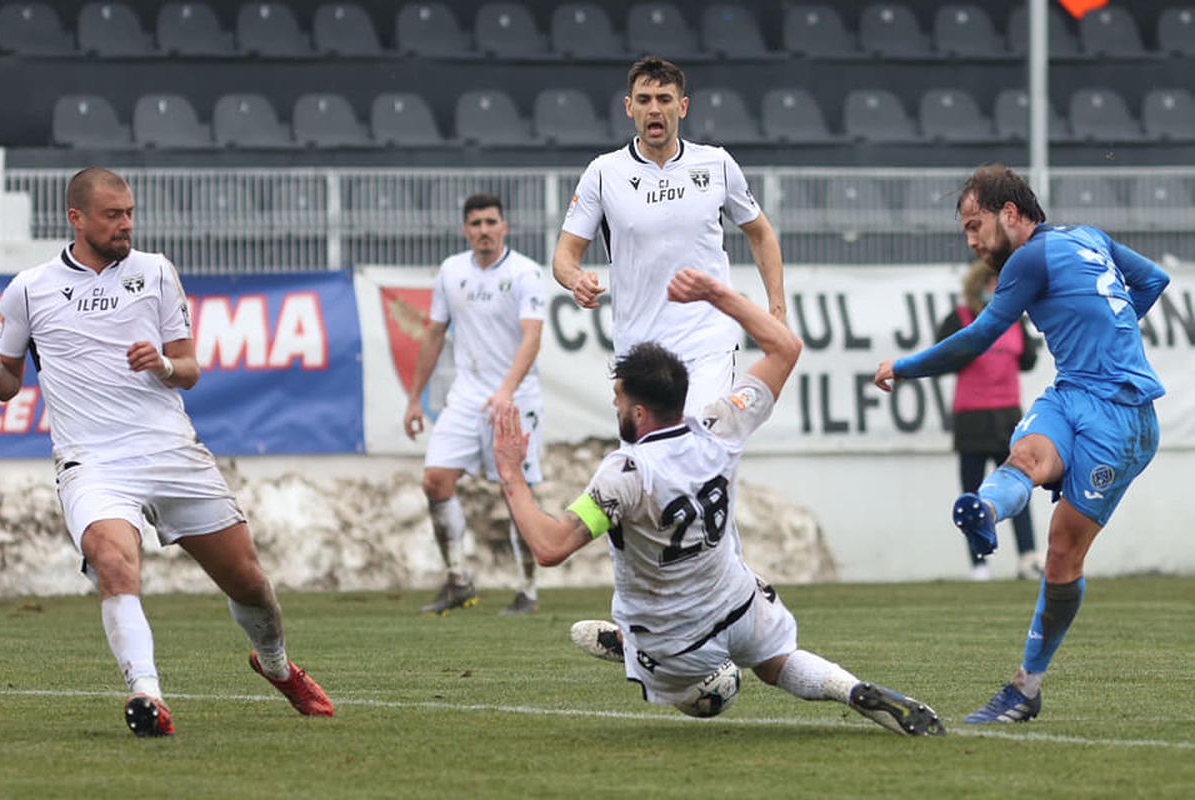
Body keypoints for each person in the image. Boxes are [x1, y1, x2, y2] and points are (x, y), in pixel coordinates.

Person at [491, 268, 945, 736]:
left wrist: (510, 472)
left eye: (619, 400)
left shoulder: (624, 474)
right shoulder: (721, 425)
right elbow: (786, 348)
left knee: (707, 699)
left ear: (640, 412)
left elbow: (550, 547)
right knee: (777, 664)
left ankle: (642, 651)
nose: (616, 407)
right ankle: (851, 690)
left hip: (675, 640)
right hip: (740, 603)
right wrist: (717, 293)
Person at [0, 167, 332, 737]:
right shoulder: (30, 288)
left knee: (249, 583)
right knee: (114, 563)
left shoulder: (154, 272)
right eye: (113, 214)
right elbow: (6, 385)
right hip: (92, 462)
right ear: (76, 218)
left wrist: (164, 364)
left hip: (170, 452)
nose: (126, 224)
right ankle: (147, 696)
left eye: (129, 212)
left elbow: (191, 371)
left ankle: (274, 664)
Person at [874, 164, 1169, 724]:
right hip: (1072, 391)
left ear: (1010, 215)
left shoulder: (1030, 255)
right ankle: (984, 509)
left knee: (1062, 555)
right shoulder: (1089, 238)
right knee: (1025, 457)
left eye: (974, 225)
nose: (972, 240)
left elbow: (981, 335)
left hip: (1122, 417)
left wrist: (904, 367)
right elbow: (1153, 280)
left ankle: (1027, 686)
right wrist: (1112, 332)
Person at [552, 55, 787, 415]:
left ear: (683, 106)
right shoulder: (603, 173)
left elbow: (760, 233)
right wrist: (575, 279)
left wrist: (777, 309)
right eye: (644, 100)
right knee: (648, 462)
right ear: (629, 108)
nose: (655, 109)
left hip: (707, 341)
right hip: (639, 346)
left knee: (696, 444)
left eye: (664, 99)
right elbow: (564, 257)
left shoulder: (717, 164)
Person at [403, 193, 547, 615]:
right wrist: (414, 399)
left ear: (505, 227)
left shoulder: (525, 273)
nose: (483, 231)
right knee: (435, 481)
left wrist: (505, 390)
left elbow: (532, 336)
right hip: (467, 397)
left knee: (515, 491)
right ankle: (458, 580)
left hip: (515, 399)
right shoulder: (451, 271)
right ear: (465, 230)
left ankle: (528, 589)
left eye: (490, 222)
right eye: (475, 224)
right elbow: (432, 334)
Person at [937, 259, 1042, 581]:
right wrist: (976, 338)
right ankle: (979, 563)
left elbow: (1028, 360)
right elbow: (943, 356)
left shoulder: (1014, 320)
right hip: (972, 416)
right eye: (991, 284)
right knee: (972, 494)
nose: (996, 290)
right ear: (978, 285)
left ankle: (1028, 557)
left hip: (1008, 415)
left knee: (1017, 488)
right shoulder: (960, 318)